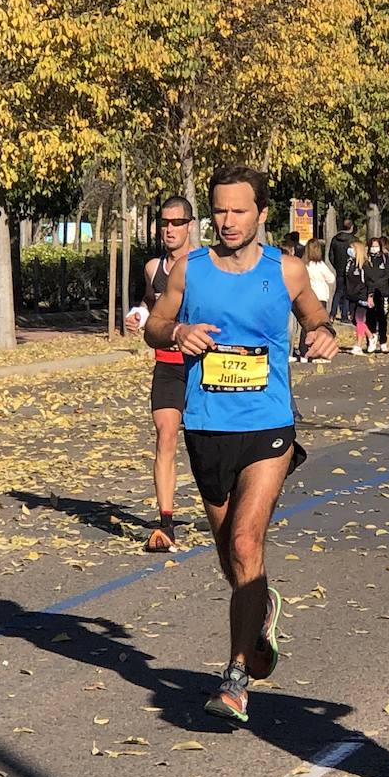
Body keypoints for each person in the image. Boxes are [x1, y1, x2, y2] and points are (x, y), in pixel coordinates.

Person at [144, 165, 339, 723]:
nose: (228, 221)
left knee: (248, 543)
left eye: (239, 211)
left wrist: (323, 334)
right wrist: (178, 332)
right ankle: (261, 610)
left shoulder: (287, 270)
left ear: (260, 214)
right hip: (207, 424)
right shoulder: (191, 268)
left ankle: (234, 677)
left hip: (267, 424)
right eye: (220, 211)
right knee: (233, 555)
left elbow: (317, 319)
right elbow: (154, 324)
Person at [126, 195, 194, 552]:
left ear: (190, 225)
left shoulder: (203, 264)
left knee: (208, 446)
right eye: (164, 223)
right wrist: (138, 314)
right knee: (165, 436)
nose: (169, 229)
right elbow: (151, 306)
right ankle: (166, 524)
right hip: (167, 365)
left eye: (176, 223)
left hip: (202, 366)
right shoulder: (154, 268)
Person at [303, 238, 337, 360]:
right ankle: (316, 351)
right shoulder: (320, 265)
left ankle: (303, 350)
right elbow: (331, 278)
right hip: (320, 296)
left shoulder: (304, 264)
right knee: (319, 325)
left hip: (307, 296)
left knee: (306, 325)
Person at [364, 236, 389, 352]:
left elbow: (387, 273)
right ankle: (371, 339)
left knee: (382, 317)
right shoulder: (367, 259)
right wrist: (371, 288)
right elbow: (366, 274)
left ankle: (383, 341)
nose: (374, 248)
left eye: (376, 246)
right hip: (370, 291)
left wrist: (378, 283)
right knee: (370, 317)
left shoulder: (385, 258)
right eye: (372, 246)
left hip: (383, 291)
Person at [343, 240, 373, 354]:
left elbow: (370, 282)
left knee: (360, 319)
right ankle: (370, 336)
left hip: (362, 295)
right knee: (355, 320)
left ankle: (359, 345)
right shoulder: (349, 263)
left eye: (352, 248)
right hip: (352, 295)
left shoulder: (364, 265)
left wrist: (370, 296)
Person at [328, 218, 356, 322]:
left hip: (339, 269)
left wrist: (336, 266)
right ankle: (344, 315)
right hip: (350, 270)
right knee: (347, 293)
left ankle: (332, 314)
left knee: (338, 292)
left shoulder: (335, 239)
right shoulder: (353, 240)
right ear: (351, 227)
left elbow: (331, 255)